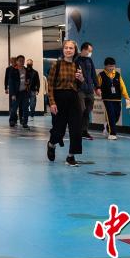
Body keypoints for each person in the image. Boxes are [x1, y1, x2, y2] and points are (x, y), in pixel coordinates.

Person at [46, 39, 84, 167]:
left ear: (75, 51)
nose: (68, 50)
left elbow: (79, 86)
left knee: (76, 129)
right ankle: (51, 144)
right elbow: (50, 85)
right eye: (66, 48)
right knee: (58, 130)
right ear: (63, 50)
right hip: (59, 98)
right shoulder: (56, 65)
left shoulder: (77, 66)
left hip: (73, 98)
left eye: (71, 48)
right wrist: (52, 103)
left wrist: (81, 79)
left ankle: (71, 156)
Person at [98, 57, 130, 140]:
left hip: (117, 99)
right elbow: (97, 86)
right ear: (105, 66)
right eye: (110, 66)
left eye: (113, 66)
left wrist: (127, 97)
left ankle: (108, 127)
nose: (112, 68)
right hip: (107, 99)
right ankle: (112, 133)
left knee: (117, 116)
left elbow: (122, 86)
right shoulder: (101, 75)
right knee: (111, 115)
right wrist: (98, 91)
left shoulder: (117, 75)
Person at [75, 42, 100, 140]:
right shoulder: (76, 60)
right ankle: (77, 130)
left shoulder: (89, 60)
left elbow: (93, 74)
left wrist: (97, 87)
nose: (90, 53)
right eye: (89, 51)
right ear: (84, 50)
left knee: (88, 111)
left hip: (89, 90)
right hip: (80, 90)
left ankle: (84, 131)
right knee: (81, 109)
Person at [5, 55, 29, 129]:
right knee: (14, 108)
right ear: (17, 61)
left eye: (23, 60)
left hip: (24, 92)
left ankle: (25, 122)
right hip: (16, 92)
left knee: (25, 108)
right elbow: (10, 83)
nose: (22, 62)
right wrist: (12, 94)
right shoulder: (13, 70)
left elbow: (29, 79)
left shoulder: (26, 70)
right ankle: (12, 121)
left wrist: (28, 82)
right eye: (20, 61)